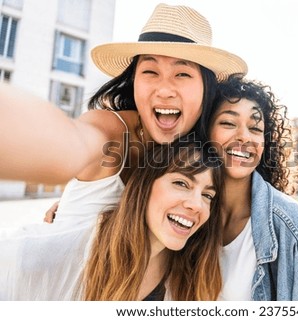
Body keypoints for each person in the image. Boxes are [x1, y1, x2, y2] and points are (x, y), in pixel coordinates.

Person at [0, 3, 245, 299]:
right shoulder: (112, 131)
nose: (164, 89)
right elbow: (69, 144)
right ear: (134, 81)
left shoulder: (197, 152)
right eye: (150, 71)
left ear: (206, 88)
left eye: (182, 74)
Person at [0, 138, 224, 300]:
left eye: (207, 195)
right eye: (181, 183)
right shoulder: (55, 252)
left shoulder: (187, 274)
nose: (196, 204)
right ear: (143, 187)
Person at [209, 76, 298, 300]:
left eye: (255, 128)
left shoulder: (288, 221)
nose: (244, 136)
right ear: (206, 131)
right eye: (228, 123)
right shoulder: (189, 210)